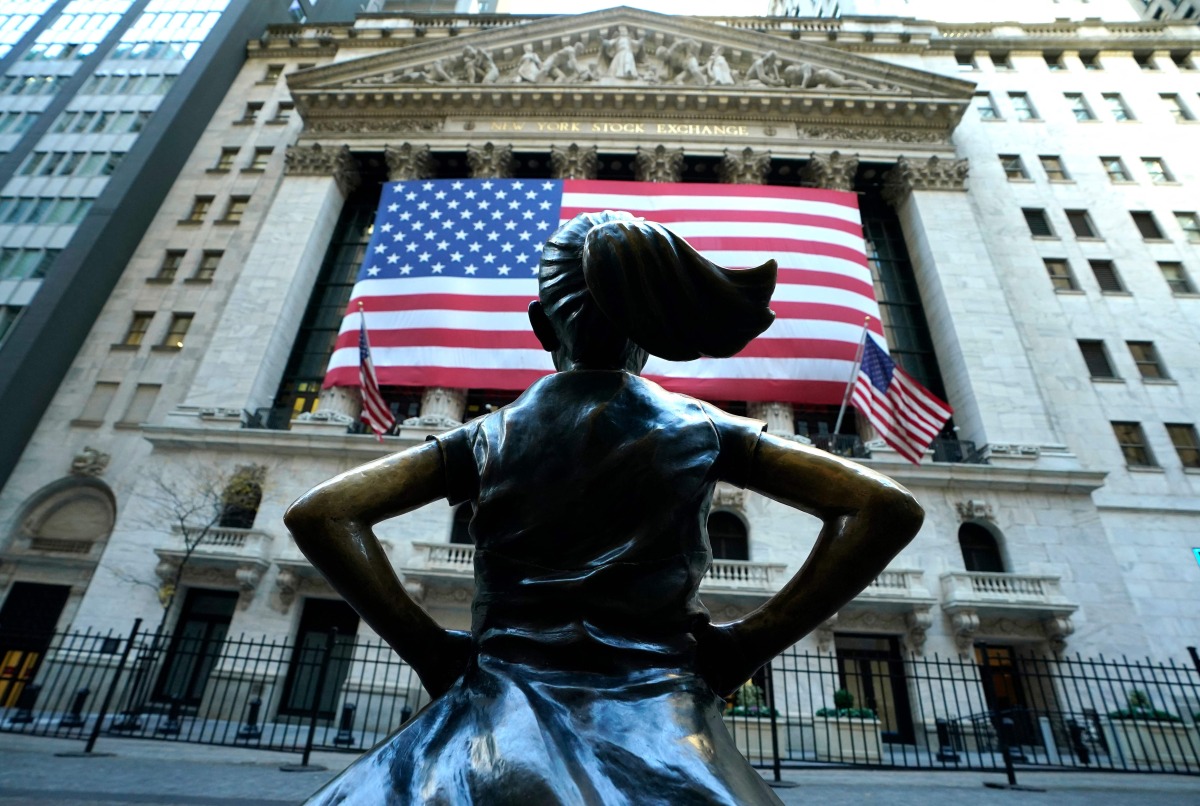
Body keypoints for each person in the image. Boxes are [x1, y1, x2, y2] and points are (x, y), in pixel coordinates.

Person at [285, 211, 924, 804]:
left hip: (493, 710)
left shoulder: (485, 437)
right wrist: (745, 647)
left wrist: (427, 649)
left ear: (541, 325)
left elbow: (322, 513)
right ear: (647, 330)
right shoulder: (702, 428)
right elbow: (884, 507)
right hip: (661, 718)